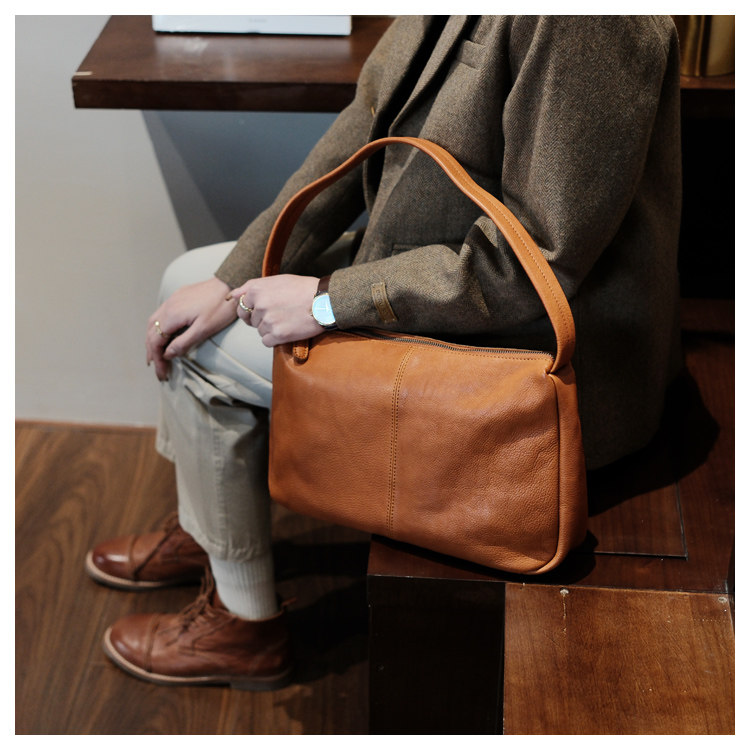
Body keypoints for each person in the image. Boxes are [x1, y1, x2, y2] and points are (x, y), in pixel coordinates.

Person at [86, 16, 683, 689]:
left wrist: (326, 301)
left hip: (527, 351)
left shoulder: (589, 22)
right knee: (186, 284)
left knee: (204, 351)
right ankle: (209, 524)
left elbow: (535, 265)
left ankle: (243, 624)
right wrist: (236, 277)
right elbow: (363, 125)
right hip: (436, 278)